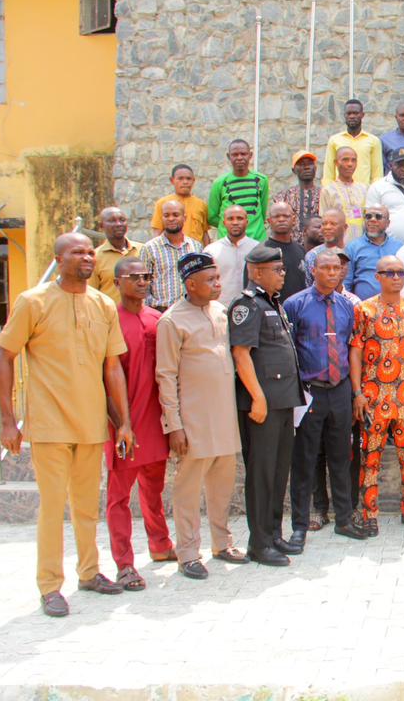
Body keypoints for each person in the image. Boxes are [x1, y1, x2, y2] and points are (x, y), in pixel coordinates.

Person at [0, 232, 133, 617]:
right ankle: (50, 585)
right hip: (49, 423)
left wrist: (123, 422)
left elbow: (112, 367)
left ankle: (89, 572)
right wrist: (8, 420)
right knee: (53, 508)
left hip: (91, 422)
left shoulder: (103, 304)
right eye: (78, 252)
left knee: (87, 506)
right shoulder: (33, 301)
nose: (87, 257)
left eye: (90, 252)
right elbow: (4, 356)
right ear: (58, 259)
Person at [157, 252, 249, 579]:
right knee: (188, 490)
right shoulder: (171, 321)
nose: (217, 284)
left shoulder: (221, 312)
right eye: (210, 280)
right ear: (191, 284)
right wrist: (174, 425)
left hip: (224, 417)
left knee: (222, 485)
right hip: (192, 421)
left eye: (218, 278)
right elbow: (165, 375)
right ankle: (188, 552)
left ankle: (222, 543)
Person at [284, 249, 368, 547]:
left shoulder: (347, 306)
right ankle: (299, 526)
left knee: (341, 457)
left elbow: (350, 347)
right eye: (326, 268)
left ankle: (344, 519)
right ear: (313, 270)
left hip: (340, 389)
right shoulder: (295, 305)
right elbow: (289, 350)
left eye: (337, 268)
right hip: (310, 392)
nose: (333, 273)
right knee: (305, 460)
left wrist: (354, 392)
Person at [229, 244, 305, 566]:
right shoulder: (247, 305)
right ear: (256, 272)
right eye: (277, 270)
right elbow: (241, 353)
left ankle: (273, 534)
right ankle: (258, 544)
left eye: (283, 269)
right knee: (261, 475)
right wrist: (258, 397)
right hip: (262, 404)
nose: (283, 274)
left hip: (283, 401)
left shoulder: (273, 304)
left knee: (277, 472)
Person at [102, 257, 174, 591]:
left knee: (153, 488)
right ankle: (124, 563)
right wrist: (119, 423)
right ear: (117, 282)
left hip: (154, 421)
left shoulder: (157, 319)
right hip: (124, 423)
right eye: (134, 277)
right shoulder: (109, 321)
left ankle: (160, 544)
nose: (142, 282)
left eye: (146, 276)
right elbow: (103, 377)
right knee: (119, 497)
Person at [350, 255, 404, 535]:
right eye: (389, 273)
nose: (396, 277)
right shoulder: (364, 310)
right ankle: (369, 514)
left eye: (400, 272)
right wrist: (357, 392)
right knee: (370, 457)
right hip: (374, 397)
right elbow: (356, 351)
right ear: (378, 277)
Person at [140, 199, 204, 311]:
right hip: (160, 311)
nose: (171, 219)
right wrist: (150, 311)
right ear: (162, 218)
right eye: (166, 215)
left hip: (190, 310)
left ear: (184, 218)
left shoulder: (196, 247)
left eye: (175, 215)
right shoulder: (150, 248)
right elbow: (143, 283)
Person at [208, 139, 270, 241]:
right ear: (229, 156)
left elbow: (262, 213)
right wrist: (231, 227)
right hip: (229, 241)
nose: (239, 158)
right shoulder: (219, 183)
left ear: (250, 155)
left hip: (256, 239)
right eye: (235, 154)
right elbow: (212, 217)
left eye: (243, 154)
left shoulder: (262, 180)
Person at [344, 205, 404, 300]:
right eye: (368, 216)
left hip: (395, 306)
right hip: (361, 306)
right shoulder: (353, 248)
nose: (372, 220)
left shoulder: (400, 247)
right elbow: (346, 284)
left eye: (378, 217)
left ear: (388, 223)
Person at [204, 205, 259, 307]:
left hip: (252, 308)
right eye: (230, 219)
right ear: (224, 223)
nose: (235, 222)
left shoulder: (257, 249)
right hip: (221, 309)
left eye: (239, 218)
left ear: (247, 222)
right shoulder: (211, 251)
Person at [322, 98, 383, 187]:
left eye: (355, 113)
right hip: (339, 192)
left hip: (364, 193)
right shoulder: (334, 140)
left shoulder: (373, 141)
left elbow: (377, 174)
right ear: (344, 115)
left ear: (362, 115)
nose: (352, 116)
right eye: (349, 113)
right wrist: (329, 191)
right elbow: (328, 173)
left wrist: (373, 192)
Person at [90, 206, 143, 304]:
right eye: (112, 221)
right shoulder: (94, 258)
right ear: (101, 226)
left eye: (122, 220)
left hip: (141, 312)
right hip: (110, 313)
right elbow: (91, 294)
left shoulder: (143, 250)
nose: (118, 224)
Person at [151, 164, 211, 246]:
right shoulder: (163, 203)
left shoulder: (201, 205)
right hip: (170, 249)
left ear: (193, 180)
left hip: (195, 250)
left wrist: (207, 250)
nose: (185, 182)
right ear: (172, 180)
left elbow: (204, 233)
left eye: (188, 179)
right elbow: (157, 231)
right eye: (180, 178)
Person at [319, 147, 368, 247]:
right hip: (338, 246)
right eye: (345, 160)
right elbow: (324, 222)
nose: (350, 164)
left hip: (362, 245)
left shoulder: (364, 189)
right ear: (336, 163)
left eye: (353, 160)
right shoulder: (328, 191)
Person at [262, 202, 308, 302]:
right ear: (269, 221)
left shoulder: (301, 251)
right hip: (273, 309)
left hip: (299, 309)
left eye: (286, 216)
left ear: (294, 220)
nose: (281, 219)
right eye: (276, 216)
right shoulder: (261, 253)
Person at [272, 150, 322, 234]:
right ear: (293, 170)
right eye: (302, 164)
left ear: (315, 168)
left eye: (310, 164)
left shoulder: (324, 195)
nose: (306, 167)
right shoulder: (284, 197)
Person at [304, 208, 349, 285]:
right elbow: (310, 287)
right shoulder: (312, 256)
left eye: (333, 224)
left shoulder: (353, 252)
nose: (327, 227)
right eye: (324, 224)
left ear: (345, 227)